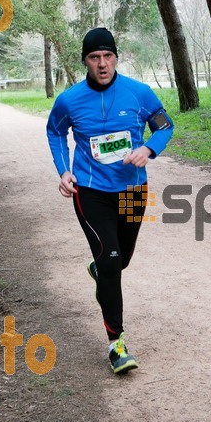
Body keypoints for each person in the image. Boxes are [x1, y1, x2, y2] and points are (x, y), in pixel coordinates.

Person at [45, 27, 174, 375]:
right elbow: (55, 131)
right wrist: (63, 170)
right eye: (94, 57)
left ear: (116, 57)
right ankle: (116, 344)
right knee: (112, 261)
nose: (102, 64)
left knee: (121, 259)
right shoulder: (69, 100)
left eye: (107, 56)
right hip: (90, 192)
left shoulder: (139, 93)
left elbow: (164, 126)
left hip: (132, 191)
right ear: (85, 61)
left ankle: (100, 269)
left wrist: (148, 148)